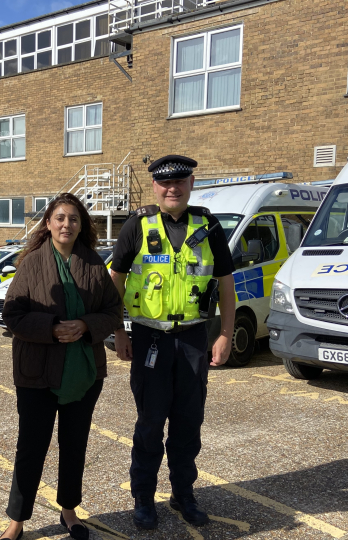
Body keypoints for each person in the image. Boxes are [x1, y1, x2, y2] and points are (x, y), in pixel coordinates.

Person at [110, 155, 235, 530]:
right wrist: (117, 331)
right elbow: (114, 279)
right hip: (150, 339)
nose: (172, 188)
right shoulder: (138, 225)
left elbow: (226, 286)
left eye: (180, 181)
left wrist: (225, 334)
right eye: (165, 183)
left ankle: (183, 495)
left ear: (192, 183)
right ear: (154, 187)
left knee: (188, 424)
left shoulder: (209, 225)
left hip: (195, 339)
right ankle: (144, 499)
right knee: (149, 425)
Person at [0, 193, 123, 540]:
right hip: (37, 373)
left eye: (73, 219)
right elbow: (13, 315)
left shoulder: (95, 264)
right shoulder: (32, 263)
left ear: (82, 225)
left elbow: (114, 311)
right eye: (60, 218)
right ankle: (17, 521)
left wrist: (84, 325)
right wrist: (52, 327)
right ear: (49, 224)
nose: (66, 224)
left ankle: (69, 510)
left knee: (74, 445)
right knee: (31, 447)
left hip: (83, 373)